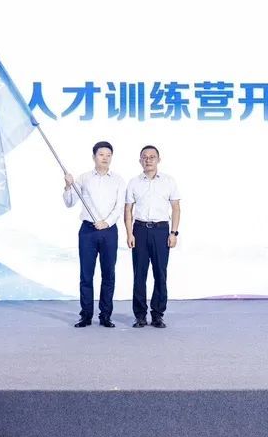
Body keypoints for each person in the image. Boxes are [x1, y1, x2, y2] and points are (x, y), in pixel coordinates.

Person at [63, 141, 126, 328]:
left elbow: (119, 206)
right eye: (101, 154)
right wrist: (68, 186)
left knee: (108, 274)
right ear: (94, 157)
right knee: (86, 275)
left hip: (109, 231)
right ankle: (86, 315)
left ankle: (105, 316)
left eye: (108, 155)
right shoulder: (83, 178)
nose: (105, 158)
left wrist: (106, 222)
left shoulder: (118, 180)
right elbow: (70, 202)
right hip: (88, 231)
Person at [124, 145, 181, 329]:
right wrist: (129, 233)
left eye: (152, 157)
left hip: (161, 230)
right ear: (140, 160)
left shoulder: (169, 181)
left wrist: (174, 233)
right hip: (140, 230)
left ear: (158, 159)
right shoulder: (134, 182)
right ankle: (140, 315)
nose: (148, 160)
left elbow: (176, 208)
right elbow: (128, 210)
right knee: (139, 275)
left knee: (160, 274)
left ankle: (157, 315)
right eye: (145, 157)